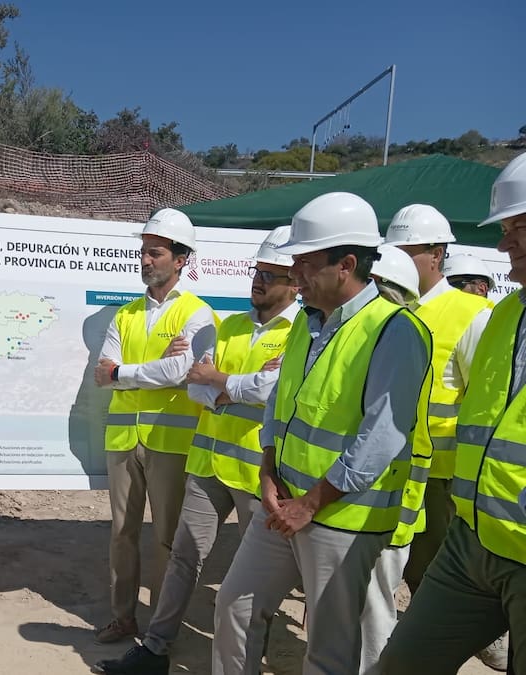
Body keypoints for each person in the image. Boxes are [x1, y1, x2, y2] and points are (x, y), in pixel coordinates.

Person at [211, 192, 432, 675]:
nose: (295, 277)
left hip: (340, 517)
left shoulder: (395, 330)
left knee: (329, 648)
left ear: (346, 264)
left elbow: (382, 436)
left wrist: (310, 503)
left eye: (305, 264)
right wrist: (267, 471)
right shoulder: (305, 326)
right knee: (235, 605)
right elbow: (278, 407)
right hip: (282, 502)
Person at [94, 227, 299, 674]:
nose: (258, 280)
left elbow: (277, 391)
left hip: (254, 472)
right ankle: (154, 648)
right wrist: (225, 385)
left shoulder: (297, 333)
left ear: (295, 281)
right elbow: (193, 384)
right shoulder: (232, 327)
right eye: (257, 271)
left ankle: (252, 655)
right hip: (208, 462)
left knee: (252, 573)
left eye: (271, 273)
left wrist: (220, 383)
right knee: (183, 557)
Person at [380, 153, 526, 675]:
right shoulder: (508, 314)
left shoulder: (474, 314)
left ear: (436, 255)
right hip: (473, 527)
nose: (505, 243)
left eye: (519, 227)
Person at [92, 208, 219, 644]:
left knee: (167, 538)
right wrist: (149, 367)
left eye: (156, 253)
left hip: (171, 440)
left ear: (181, 259)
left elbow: (181, 371)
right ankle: (123, 617)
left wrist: (122, 373)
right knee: (121, 534)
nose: (145, 260)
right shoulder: (123, 315)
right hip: (124, 440)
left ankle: (161, 629)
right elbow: (101, 371)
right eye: (143, 252)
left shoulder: (199, 315)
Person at [358, 243, 430, 674]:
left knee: (376, 606)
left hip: (389, 503)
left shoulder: (401, 336)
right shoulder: (368, 336)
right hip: (362, 503)